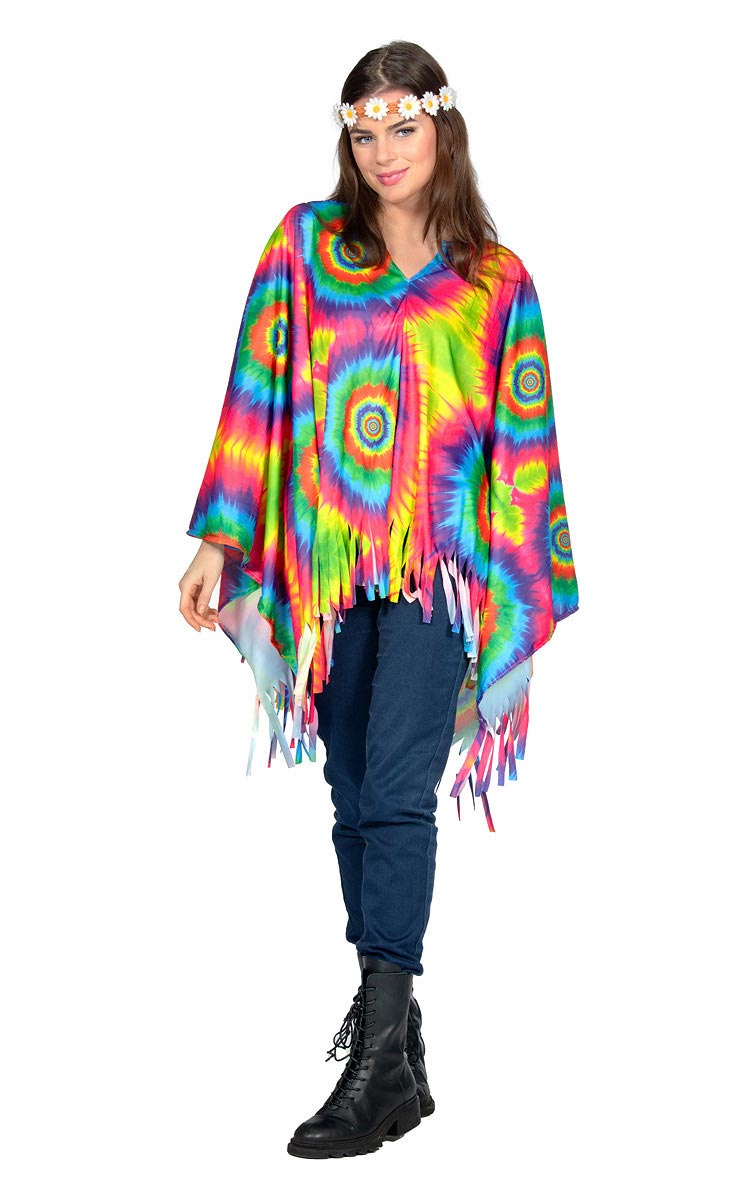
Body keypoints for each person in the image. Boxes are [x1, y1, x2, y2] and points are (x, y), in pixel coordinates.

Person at [178, 40, 579, 1159]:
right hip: (328, 568)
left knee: (397, 790)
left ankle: (377, 1052)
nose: (384, 151)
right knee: (352, 791)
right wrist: (219, 539)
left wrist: (515, 588)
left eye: (403, 127)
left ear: (441, 129)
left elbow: (525, 442)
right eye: (363, 132)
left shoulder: (497, 281)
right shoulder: (306, 247)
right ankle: (398, 1051)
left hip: (443, 572)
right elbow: (256, 389)